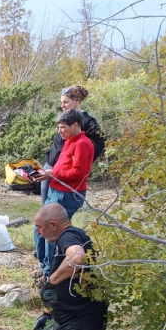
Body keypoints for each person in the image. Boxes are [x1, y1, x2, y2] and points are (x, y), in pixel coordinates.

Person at [33, 86, 106, 279]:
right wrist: (48, 173)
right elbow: (62, 165)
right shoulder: (69, 141)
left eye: (63, 128)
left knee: (51, 233)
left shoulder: (83, 143)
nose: (60, 132)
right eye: (58, 128)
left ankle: (51, 275)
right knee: (39, 229)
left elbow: (77, 173)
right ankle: (44, 268)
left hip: (68, 193)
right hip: (56, 190)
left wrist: (52, 173)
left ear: (75, 125)